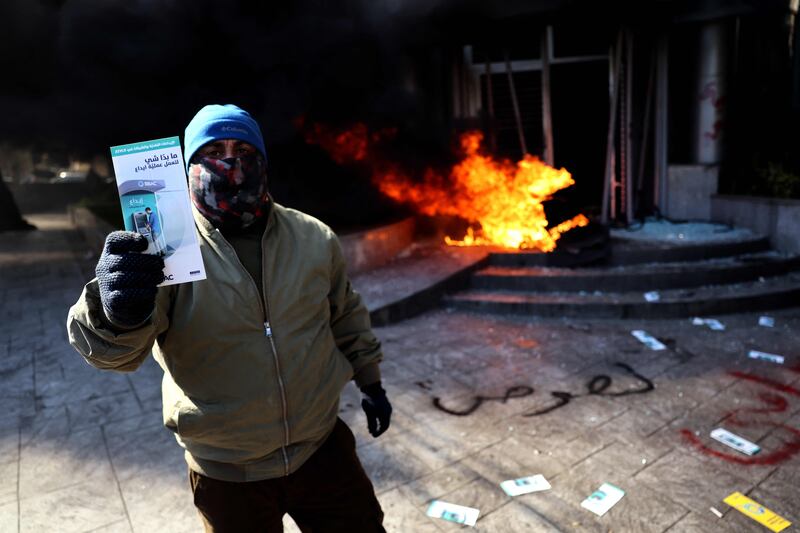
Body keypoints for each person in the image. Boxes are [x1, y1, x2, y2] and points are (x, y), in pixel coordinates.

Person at [67, 104, 392, 532]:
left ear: (261, 159)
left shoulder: (313, 237)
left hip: (323, 449)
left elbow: (345, 312)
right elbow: (117, 356)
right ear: (188, 168)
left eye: (242, 148)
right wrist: (115, 313)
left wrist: (370, 381)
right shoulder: (163, 253)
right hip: (226, 473)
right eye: (213, 150)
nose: (230, 161)